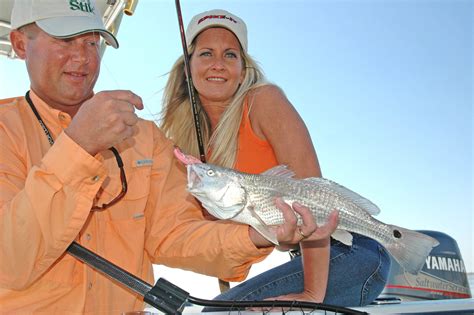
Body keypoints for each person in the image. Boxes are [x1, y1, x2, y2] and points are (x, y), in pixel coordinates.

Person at [0, 1, 323, 313]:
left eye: (92, 41)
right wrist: (79, 147)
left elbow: (173, 235)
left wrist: (256, 235)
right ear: (20, 44)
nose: (82, 56)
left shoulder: (147, 137)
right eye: (65, 39)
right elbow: (11, 260)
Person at [160, 9, 391, 307]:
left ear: (243, 69)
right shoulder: (195, 152)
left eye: (230, 55)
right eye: (206, 53)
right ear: (187, 67)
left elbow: (312, 195)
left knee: (215, 314)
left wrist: (311, 295)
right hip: (302, 260)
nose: (218, 64)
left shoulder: (263, 101)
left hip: (348, 254)